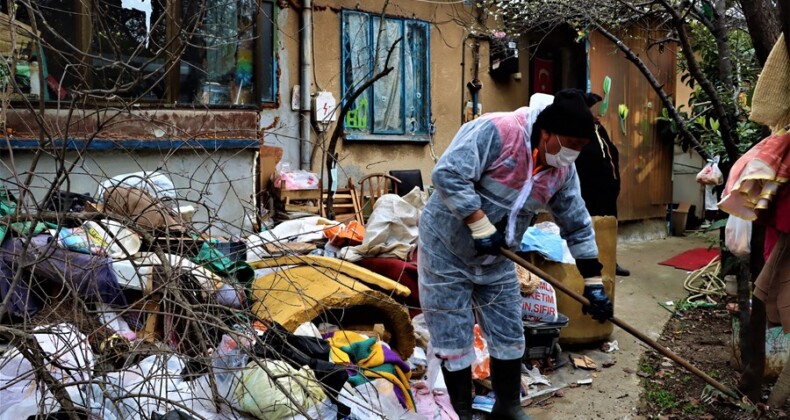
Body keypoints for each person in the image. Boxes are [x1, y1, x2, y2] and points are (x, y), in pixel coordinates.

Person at [419, 89, 613, 420]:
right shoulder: (498, 131)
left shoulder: (561, 171)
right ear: (547, 131)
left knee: (509, 331)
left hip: (499, 257)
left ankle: (508, 406)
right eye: (569, 144)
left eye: (580, 148)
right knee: (454, 335)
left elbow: (577, 224)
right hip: (447, 250)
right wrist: (479, 225)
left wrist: (593, 282)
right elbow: (448, 174)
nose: (572, 154)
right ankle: (462, 412)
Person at [574, 92, 630, 276]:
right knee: (591, 227)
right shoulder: (580, 131)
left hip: (607, 192)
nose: (599, 112)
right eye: (595, 108)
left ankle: (610, 260)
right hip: (590, 191)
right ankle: (591, 262)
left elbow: (610, 153)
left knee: (609, 226)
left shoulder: (599, 129)